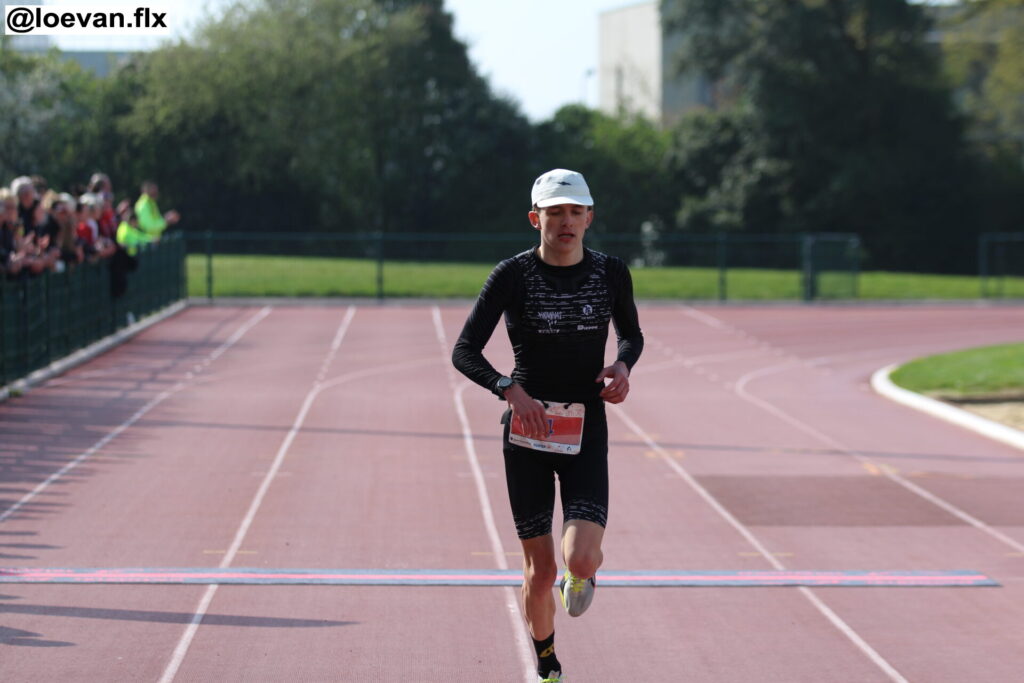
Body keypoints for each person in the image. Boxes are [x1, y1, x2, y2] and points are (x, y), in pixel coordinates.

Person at [452, 169, 643, 683]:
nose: (565, 222)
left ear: (589, 218)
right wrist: (508, 389)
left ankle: (584, 576)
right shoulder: (512, 275)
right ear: (535, 219)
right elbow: (464, 351)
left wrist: (623, 366)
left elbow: (632, 335)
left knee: (579, 559)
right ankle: (547, 665)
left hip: (585, 428)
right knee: (541, 572)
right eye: (555, 212)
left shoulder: (611, 272)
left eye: (575, 212)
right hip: (527, 434)